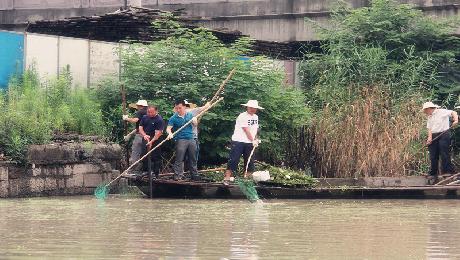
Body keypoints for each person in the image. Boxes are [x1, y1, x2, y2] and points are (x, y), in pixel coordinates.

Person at [224, 100, 263, 184]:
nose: (252, 109)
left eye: (254, 108)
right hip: (239, 140)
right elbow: (246, 130)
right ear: (247, 107)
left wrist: (255, 139)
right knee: (234, 159)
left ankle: (247, 178)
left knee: (250, 160)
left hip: (250, 142)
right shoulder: (242, 116)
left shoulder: (256, 117)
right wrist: (253, 140)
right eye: (251, 107)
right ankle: (227, 177)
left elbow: (254, 130)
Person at [423, 102, 458, 177]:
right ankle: (433, 172)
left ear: (429, 109)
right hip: (434, 135)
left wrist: (456, 120)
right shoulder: (430, 116)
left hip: (443, 134)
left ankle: (447, 171)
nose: (425, 112)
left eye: (425, 110)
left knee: (444, 152)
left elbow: (453, 112)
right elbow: (429, 128)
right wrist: (429, 138)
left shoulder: (441, 111)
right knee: (433, 154)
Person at [166, 100, 199, 181]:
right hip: (181, 139)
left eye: (180, 108)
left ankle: (194, 175)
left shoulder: (190, 115)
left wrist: (195, 121)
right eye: (176, 108)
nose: (178, 110)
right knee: (179, 158)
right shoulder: (173, 117)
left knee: (193, 157)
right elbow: (168, 128)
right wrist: (170, 133)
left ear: (184, 107)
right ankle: (177, 175)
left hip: (191, 138)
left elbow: (195, 125)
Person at [123, 99, 148, 175]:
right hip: (148, 137)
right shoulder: (149, 113)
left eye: (138, 106)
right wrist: (129, 135)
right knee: (144, 154)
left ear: (141, 106)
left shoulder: (140, 112)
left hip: (140, 136)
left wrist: (126, 118)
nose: (136, 107)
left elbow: (135, 120)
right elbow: (138, 128)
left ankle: (132, 170)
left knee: (135, 153)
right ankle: (140, 170)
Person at [139, 106, 164, 179]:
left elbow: (158, 133)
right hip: (146, 137)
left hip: (156, 138)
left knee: (155, 155)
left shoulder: (159, 119)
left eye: (151, 112)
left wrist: (151, 141)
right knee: (144, 154)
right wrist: (144, 135)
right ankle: (146, 170)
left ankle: (155, 173)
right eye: (148, 112)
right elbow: (140, 128)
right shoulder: (144, 117)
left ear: (156, 111)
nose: (149, 113)